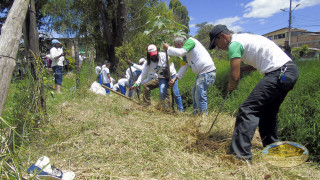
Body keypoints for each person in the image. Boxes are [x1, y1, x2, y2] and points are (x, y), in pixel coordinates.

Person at [208, 25, 299, 163]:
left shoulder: (234, 44)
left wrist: (231, 85)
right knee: (267, 113)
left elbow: (234, 77)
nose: (218, 47)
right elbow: (257, 62)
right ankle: (273, 149)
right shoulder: (245, 39)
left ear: (223, 37)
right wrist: (242, 69)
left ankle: (240, 157)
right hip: (290, 71)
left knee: (248, 109)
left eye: (217, 43)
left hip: (279, 72)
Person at [163, 36, 216, 115]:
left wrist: (168, 48)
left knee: (200, 95)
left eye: (176, 47)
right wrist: (175, 79)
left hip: (207, 71)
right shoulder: (186, 55)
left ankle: (203, 117)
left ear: (180, 44)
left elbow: (181, 52)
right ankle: (196, 114)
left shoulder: (190, 41)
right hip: (202, 73)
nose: (176, 49)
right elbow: (184, 66)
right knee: (195, 93)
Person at [129, 44, 183, 112]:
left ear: (157, 51)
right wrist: (136, 84)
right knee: (161, 92)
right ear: (148, 55)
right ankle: (164, 109)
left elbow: (171, 65)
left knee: (175, 92)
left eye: (155, 54)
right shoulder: (148, 64)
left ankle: (180, 111)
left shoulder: (164, 55)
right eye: (152, 55)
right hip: (162, 77)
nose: (154, 56)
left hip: (172, 75)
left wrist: (172, 79)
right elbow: (143, 75)